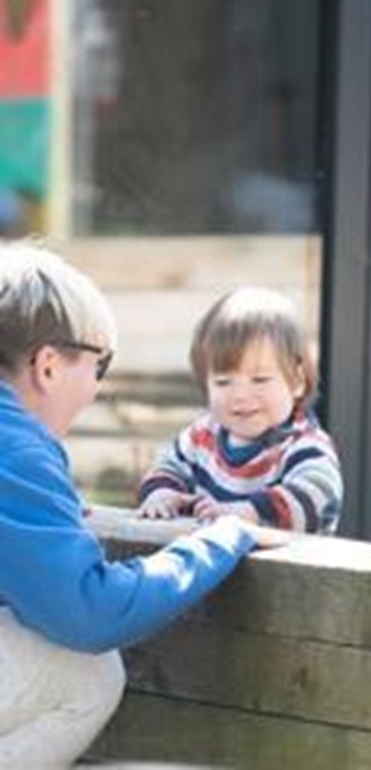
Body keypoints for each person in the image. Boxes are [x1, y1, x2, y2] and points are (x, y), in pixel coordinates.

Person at [0, 241, 285, 766]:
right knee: (88, 672)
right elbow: (88, 613)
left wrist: (48, 519)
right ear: (47, 366)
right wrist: (222, 539)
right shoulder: (15, 451)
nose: (94, 389)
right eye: (98, 365)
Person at [137, 286, 342, 533]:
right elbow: (168, 466)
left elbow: (318, 495)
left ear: (297, 381)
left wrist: (251, 512)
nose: (241, 395)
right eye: (223, 382)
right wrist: (162, 493)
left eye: (260, 380)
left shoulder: (302, 444)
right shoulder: (203, 435)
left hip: (286, 569)